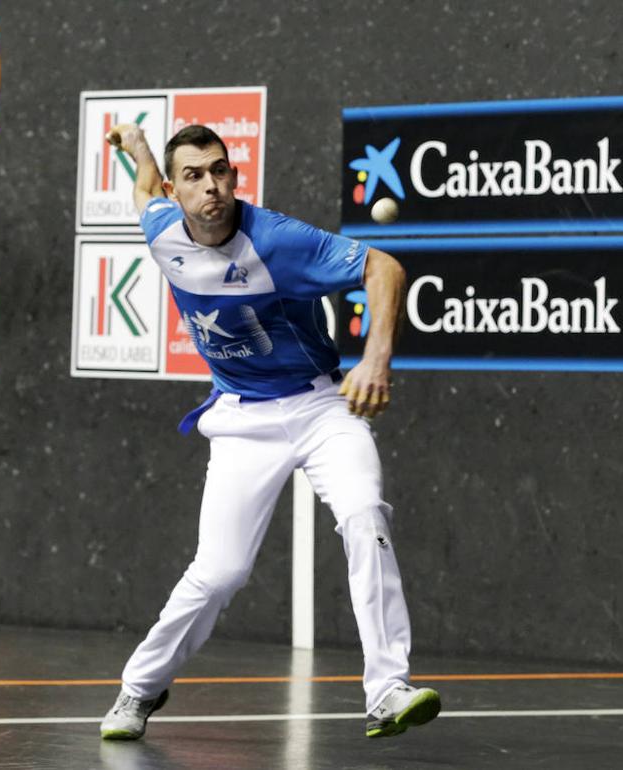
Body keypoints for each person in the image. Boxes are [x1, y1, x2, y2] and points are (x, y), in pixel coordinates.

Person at [98, 123, 440, 740]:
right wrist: (138, 148)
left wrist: (375, 358)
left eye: (221, 170)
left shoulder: (277, 240)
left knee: (365, 515)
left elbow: (383, 267)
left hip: (320, 406)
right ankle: (138, 689)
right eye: (196, 177)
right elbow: (145, 189)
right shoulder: (161, 229)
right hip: (241, 418)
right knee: (220, 571)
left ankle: (387, 688)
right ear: (178, 191)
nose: (213, 186)